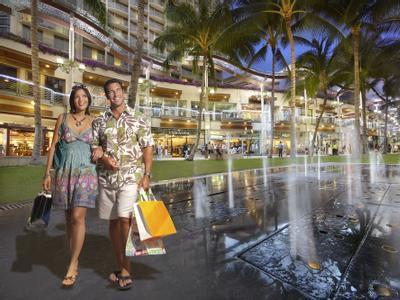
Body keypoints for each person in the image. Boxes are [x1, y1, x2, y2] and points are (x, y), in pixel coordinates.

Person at [92, 79, 154, 290]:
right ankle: (120, 264)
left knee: (125, 220)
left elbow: (147, 147)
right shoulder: (99, 121)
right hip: (107, 180)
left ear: (123, 92)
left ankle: (126, 270)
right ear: (106, 96)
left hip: (131, 177)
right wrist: (102, 157)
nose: (114, 94)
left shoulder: (139, 118)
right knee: (112, 222)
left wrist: (147, 174)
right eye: (110, 92)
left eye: (117, 90)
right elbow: (94, 148)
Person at [42, 84, 99, 287]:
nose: (81, 100)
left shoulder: (95, 121)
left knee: (77, 217)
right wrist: (47, 172)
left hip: (87, 172)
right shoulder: (62, 118)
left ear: (89, 100)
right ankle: (74, 256)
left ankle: (73, 264)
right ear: (72, 100)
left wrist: (101, 150)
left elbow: (103, 144)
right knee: (68, 219)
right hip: (63, 172)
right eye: (77, 97)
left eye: (84, 96)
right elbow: (54, 145)